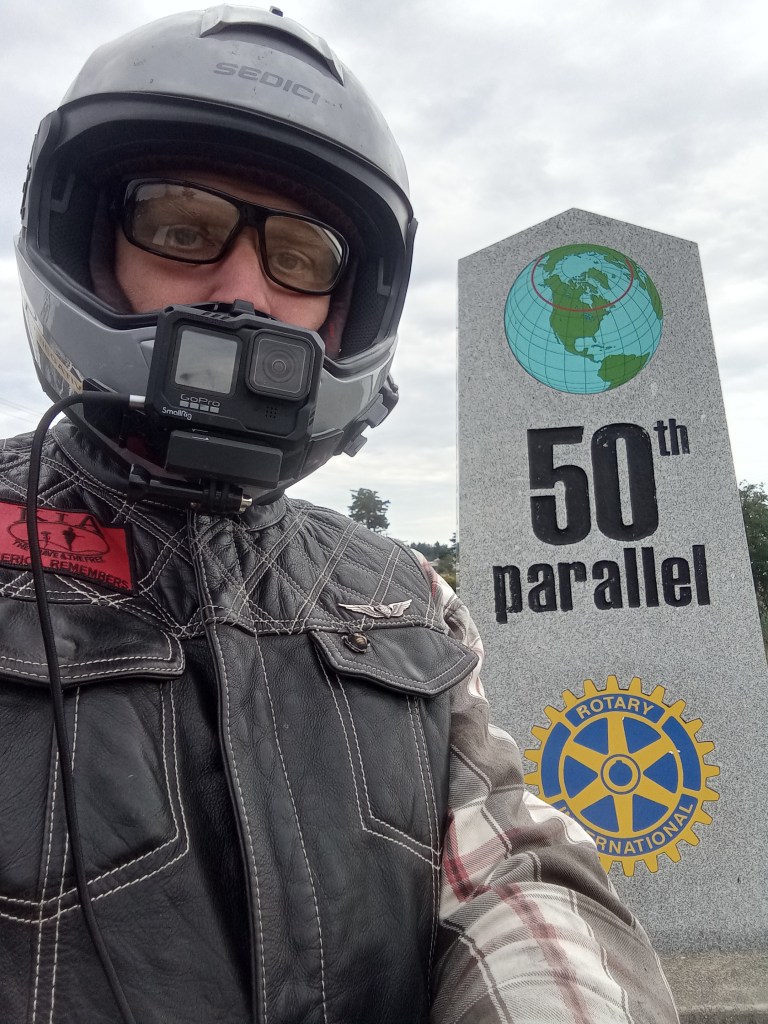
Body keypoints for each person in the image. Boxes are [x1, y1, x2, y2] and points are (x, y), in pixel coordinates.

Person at [1, 7, 678, 1023]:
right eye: (181, 227)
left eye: (301, 257)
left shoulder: (405, 598)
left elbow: (511, 873)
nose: (244, 293)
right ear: (89, 243)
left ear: (344, 309)